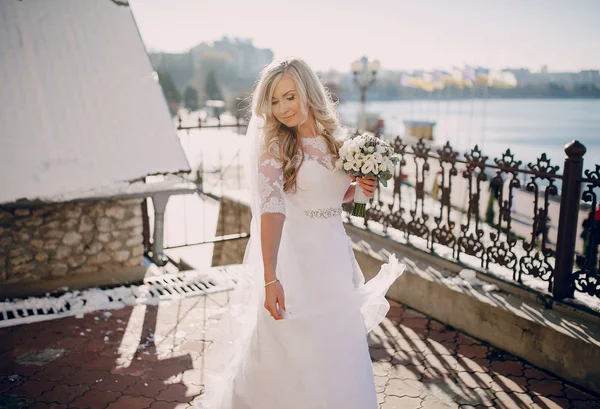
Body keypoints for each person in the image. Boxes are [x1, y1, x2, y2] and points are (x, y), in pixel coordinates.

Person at [194, 57, 404, 409]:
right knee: (292, 350)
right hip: (296, 264)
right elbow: (272, 212)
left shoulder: (336, 140)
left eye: (289, 97)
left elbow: (336, 196)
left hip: (334, 259)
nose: (282, 108)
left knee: (338, 349)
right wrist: (270, 278)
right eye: (274, 101)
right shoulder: (274, 146)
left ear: (308, 91)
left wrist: (363, 188)